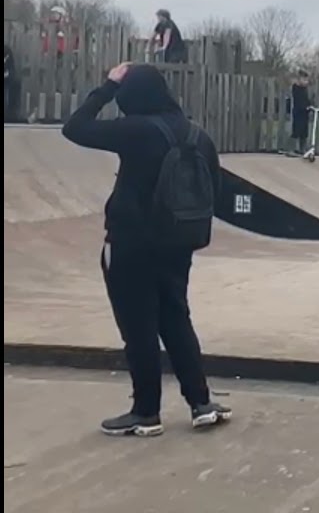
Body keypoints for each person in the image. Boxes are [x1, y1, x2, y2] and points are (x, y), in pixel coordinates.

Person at [61, 62, 231, 436]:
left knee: (138, 327)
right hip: (178, 243)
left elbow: (74, 128)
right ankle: (201, 403)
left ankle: (146, 412)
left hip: (130, 244)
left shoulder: (136, 130)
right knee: (176, 318)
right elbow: (213, 190)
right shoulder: (197, 135)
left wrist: (106, 86)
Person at [290, 69, 312, 154]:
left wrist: (310, 106)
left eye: (307, 80)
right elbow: (299, 101)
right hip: (298, 112)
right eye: (304, 80)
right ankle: (291, 149)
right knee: (296, 130)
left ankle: (302, 149)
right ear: (299, 79)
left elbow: (306, 100)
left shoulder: (305, 89)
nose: (306, 82)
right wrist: (304, 107)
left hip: (305, 113)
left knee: (304, 132)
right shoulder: (296, 88)